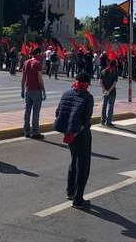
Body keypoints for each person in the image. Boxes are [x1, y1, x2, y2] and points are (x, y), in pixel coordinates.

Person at [53, 72, 94, 210]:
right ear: (87, 83)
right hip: (81, 135)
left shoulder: (66, 93)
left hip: (69, 133)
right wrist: (76, 132)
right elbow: (85, 120)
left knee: (73, 160)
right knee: (83, 165)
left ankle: (70, 192)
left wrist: (69, 132)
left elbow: (58, 113)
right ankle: (78, 199)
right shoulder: (88, 97)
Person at [21, 48, 46, 140]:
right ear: (38, 54)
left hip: (28, 90)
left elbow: (23, 77)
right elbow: (40, 78)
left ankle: (26, 131)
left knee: (27, 111)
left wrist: (22, 89)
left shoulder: (26, 62)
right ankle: (35, 132)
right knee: (36, 112)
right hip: (36, 90)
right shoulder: (38, 63)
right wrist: (43, 91)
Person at [100, 60, 119, 126]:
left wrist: (105, 90)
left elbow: (101, 82)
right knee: (110, 106)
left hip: (104, 92)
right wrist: (109, 91)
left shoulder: (103, 71)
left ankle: (102, 121)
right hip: (112, 92)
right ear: (114, 66)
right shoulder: (114, 72)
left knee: (104, 106)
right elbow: (114, 84)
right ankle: (108, 122)